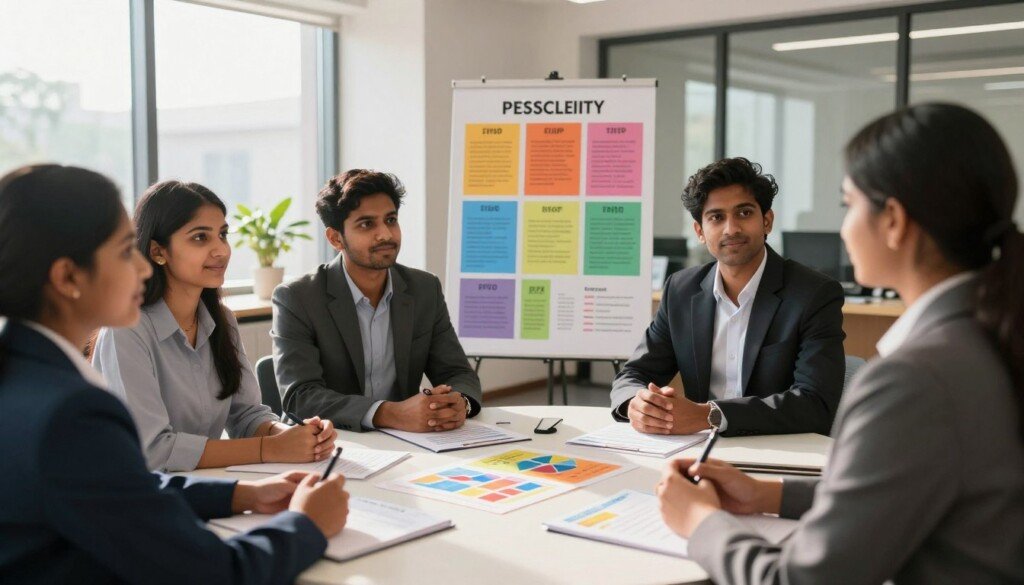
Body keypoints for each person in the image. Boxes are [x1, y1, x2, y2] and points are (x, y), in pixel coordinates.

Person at [657, 104, 1024, 584]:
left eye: (849, 204)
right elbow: (908, 489)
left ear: (892, 220)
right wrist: (766, 494)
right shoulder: (986, 334)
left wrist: (700, 522)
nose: (844, 225)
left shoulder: (915, 380)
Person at [0, 164, 349, 583]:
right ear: (68, 277)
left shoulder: (25, 376)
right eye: (124, 250)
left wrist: (241, 494)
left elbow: (121, 490)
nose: (143, 268)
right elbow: (213, 573)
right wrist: (306, 525)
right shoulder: (71, 412)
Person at [93, 181, 337, 472]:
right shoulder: (126, 331)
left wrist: (292, 436)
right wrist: (270, 448)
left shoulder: (223, 321)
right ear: (159, 251)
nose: (221, 250)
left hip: (204, 486)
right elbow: (153, 451)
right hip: (138, 497)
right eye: (200, 238)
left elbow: (246, 416)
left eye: (222, 234)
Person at [611, 157, 845, 436]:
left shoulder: (814, 294)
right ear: (700, 231)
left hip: (777, 449)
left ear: (767, 221)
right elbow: (633, 375)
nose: (731, 229)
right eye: (716, 217)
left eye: (744, 213)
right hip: (696, 449)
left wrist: (709, 416)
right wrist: (636, 404)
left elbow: (815, 405)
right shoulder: (681, 290)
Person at [273, 169, 482, 433]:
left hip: (406, 440)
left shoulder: (424, 288)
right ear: (336, 238)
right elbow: (301, 397)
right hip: (332, 442)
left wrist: (458, 402)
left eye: (391, 220)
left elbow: (458, 373)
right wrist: (388, 413)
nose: (385, 234)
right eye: (367, 224)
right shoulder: (297, 297)